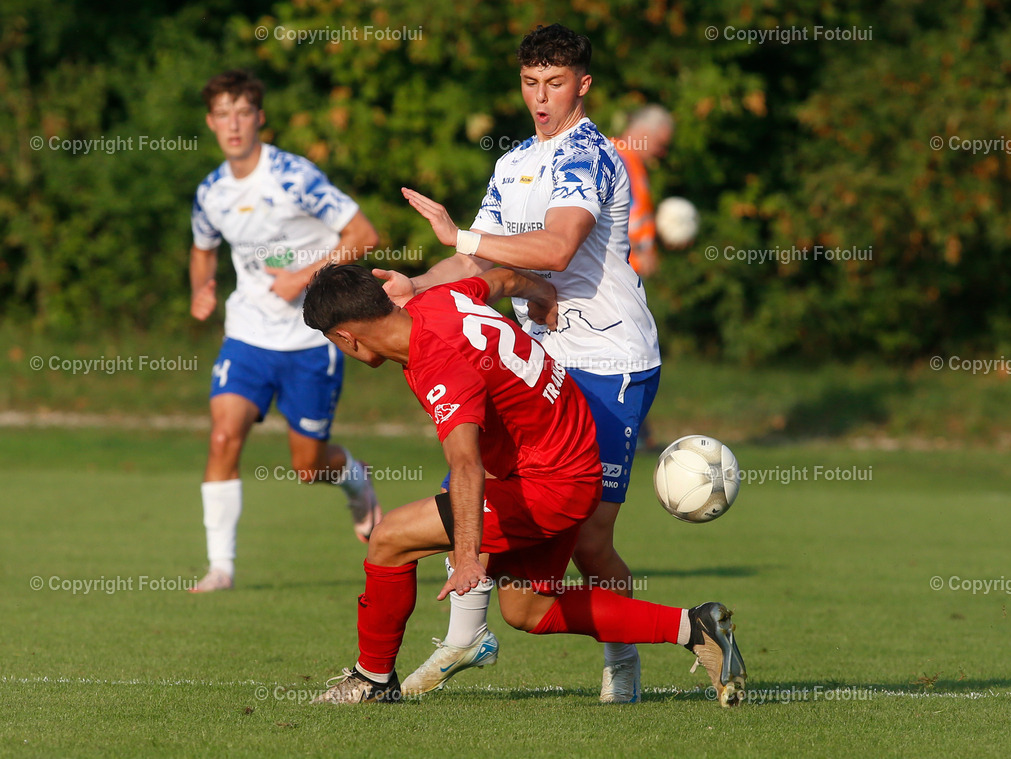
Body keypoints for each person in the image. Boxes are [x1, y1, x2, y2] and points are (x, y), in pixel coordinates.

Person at [301, 263, 746, 707]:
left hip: (551, 484)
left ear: (346, 338)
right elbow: (502, 279)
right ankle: (694, 627)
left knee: (390, 538)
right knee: (527, 609)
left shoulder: (438, 361)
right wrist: (544, 296)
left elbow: (466, 465)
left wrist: (470, 557)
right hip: (570, 456)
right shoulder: (439, 300)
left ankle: (372, 680)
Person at [383, 23, 660, 702]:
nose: (541, 96)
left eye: (555, 83)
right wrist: (415, 287)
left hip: (609, 362)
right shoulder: (512, 164)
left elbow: (558, 248)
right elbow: (479, 259)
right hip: (539, 360)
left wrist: (465, 234)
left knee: (592, 541)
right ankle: (465, 634)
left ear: (583, 85)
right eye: (531, 82)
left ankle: (623, 653)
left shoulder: (593, 154)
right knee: (486, 487)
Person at [188, 70, 383, 593]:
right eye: (223, 114)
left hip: (308, 340)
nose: (233, 124)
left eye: (242, 112)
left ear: (259, 118)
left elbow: (363, 233)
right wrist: (201, 287)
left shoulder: (295, 177)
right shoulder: (210, 192)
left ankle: (355, 480)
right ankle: (221, 568)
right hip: (247, 334)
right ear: (211, 122)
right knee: (224, 435)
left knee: (307, 466)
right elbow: (203, 248)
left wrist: (302, 276)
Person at [615, 104, 675, 278]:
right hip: (615, 273)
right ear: (643, 133)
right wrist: (640, 251)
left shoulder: (634, 164)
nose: (662, 152)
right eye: (661, 144)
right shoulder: (617, 159)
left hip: (627, 273)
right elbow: (603, 216)